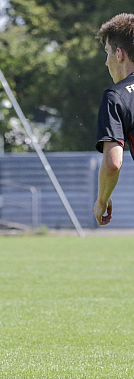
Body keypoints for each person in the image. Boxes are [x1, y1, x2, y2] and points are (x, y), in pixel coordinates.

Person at [93, 13, 134, 226]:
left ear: (119, 54)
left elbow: (113, 164)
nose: (106, 61)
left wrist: (101, 200)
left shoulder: (116, 96)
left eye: (107, 52)